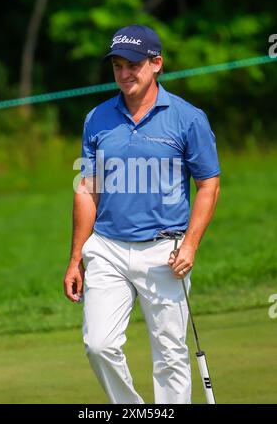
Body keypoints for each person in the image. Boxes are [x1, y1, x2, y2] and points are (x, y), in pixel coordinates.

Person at [64, 24, 220, 404]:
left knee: (170, 354)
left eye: (133, 64)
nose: (124, 73)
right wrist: (75, 259)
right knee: (98, 344)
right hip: (107, 249)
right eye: (117, 65)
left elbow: (208, 186)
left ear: (156, 64)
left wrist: (191, 245)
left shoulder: (188, 118)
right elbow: (87, 190)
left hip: (164, 251)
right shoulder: (96, 119)